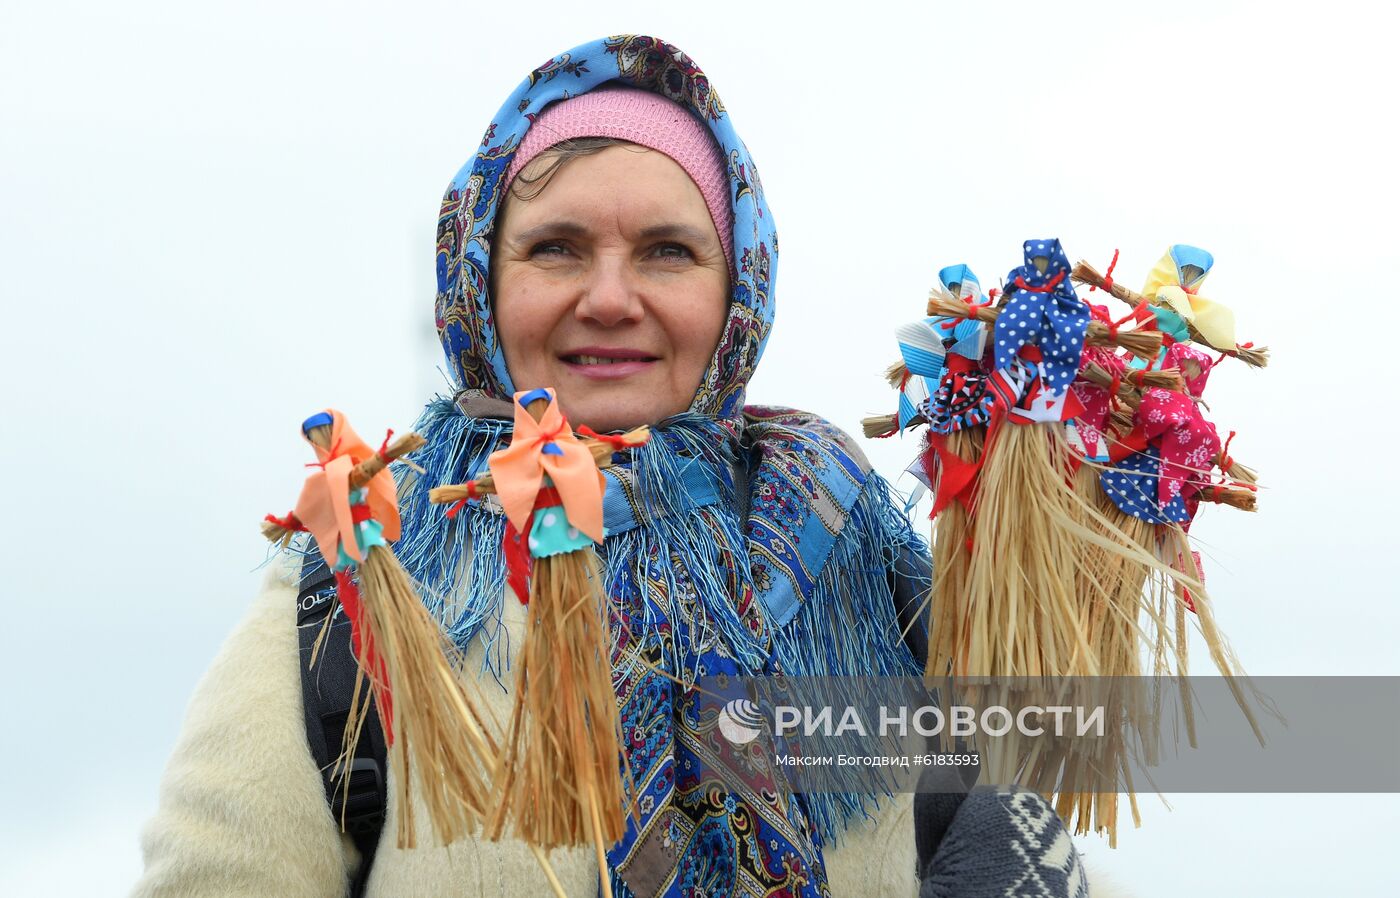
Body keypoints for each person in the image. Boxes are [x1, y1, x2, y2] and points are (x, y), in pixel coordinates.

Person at [131, 35, 1100, 898]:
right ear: (479, 280)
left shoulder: (872, 577)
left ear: (736, 294)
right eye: (555, 249)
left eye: (666, 252)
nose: (608, 297)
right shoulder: (359, 580)